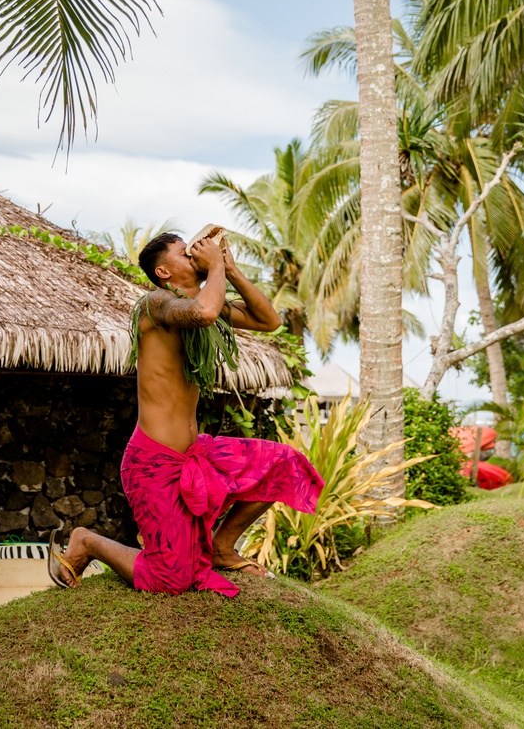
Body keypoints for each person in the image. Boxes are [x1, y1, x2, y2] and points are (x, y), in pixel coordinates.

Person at [48, 232, 324, 597]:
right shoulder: (156, 304)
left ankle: (223, 547)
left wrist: (230, 269)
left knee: (284, 464)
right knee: (170, 579)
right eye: (184, 252)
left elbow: (269, 321)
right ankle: (87, 541)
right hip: (153, 464)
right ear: (163, 270)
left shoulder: (201, 300)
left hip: (198, 453)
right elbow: (206, 313)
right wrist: (213, 267)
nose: (193, 253)